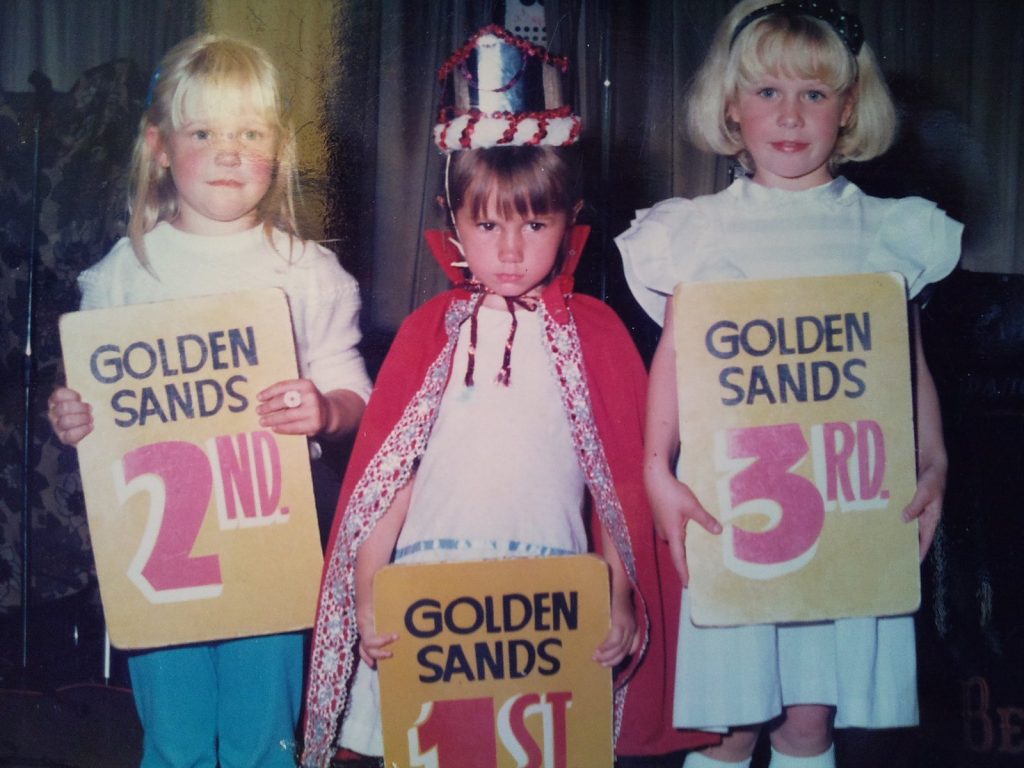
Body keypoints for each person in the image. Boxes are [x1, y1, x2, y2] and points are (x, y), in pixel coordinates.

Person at [302, 25, 715, 768]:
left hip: (546, 597)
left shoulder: (594, 335)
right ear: (451, 218)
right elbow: (387, 483)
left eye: (535, 222)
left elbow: (615, 490)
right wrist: (369, 590)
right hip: (433, 591)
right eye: (486, 224)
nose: (512, 249)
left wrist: (619, 597)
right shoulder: (431, 334)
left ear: (571, 218)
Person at [615, 2, 962, 767]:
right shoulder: (694, 231)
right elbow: (673, 363)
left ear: (849, 109)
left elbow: (903, 364)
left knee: (809, 725)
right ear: (731, 107)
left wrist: (933, 461)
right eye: (767, 92)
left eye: (815, 93)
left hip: (846, 510)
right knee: (730, 725)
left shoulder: (886, 230)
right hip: (737, 507)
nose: (791, 115)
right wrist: (653, 470)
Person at [46, 33, 371, 767]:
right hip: (162, 560)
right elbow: (89, 402)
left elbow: (356, 391)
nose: (229, 153)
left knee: (265, 735)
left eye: (249, 133)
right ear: (160, 147)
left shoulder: (310, 273)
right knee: (178, 737)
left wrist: (325, 407)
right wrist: (72, 416)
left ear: (278, 150)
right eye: (205, 133)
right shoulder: (123, 274)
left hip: (271, 539)